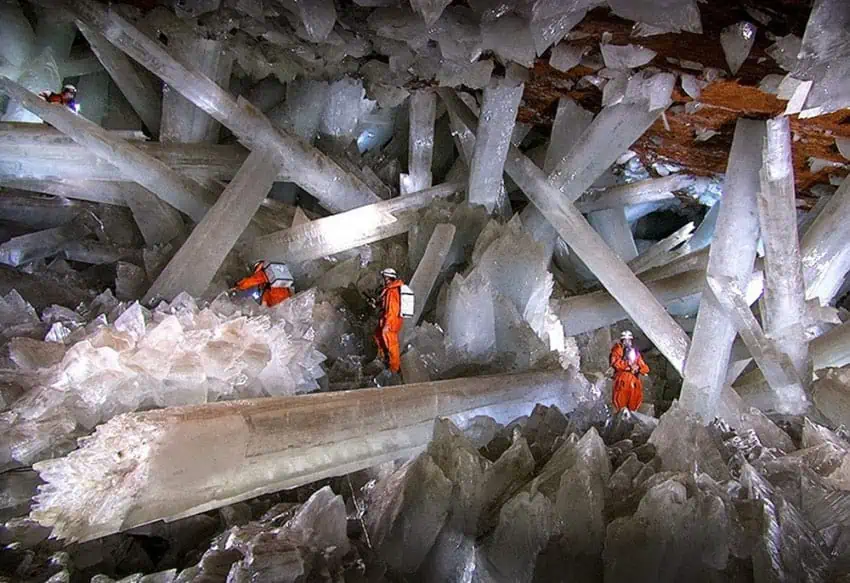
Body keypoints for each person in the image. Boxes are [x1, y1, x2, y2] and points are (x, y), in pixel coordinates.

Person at [609, 330, 650, 411]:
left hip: (633, 381)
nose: (627, 342)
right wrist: (628, 365)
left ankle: (632, 413)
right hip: (622, 378)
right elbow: (615, 362)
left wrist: (638, 368)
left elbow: (645, 368)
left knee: (635, 397)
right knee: (620, 398)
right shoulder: (618, 349)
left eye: (629, 340)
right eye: (625, 340)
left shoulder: (635, 353)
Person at [374, 267, 404, 374]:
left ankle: (394, 368)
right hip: (386, 319)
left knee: (391, 343)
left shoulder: (393, 291)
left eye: (385, 277)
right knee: (378, 335)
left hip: (391, 320)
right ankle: (383, 356)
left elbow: (393, 309)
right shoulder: (388, 290)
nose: (384, 279)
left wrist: (388, 324)